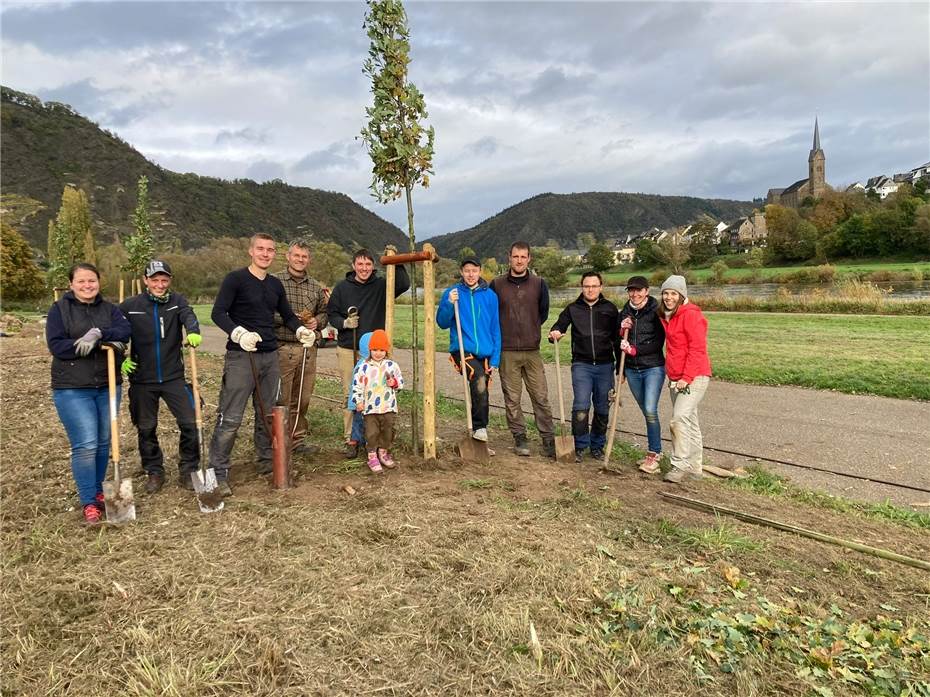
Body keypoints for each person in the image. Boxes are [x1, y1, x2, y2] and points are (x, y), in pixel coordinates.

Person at [209, 233, 316, 496]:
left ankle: (267, 462)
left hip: (270, 355)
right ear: (251, 251)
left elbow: (288, 315)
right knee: (231, 416)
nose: (265, 254)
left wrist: (301, 330)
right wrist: (239, 334)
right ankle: (218, 471)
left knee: (269, 414)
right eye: (261, 249)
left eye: (270, 250)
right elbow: (218, 313)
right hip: (241, 356)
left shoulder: (275, 285)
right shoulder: (235, 280)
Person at [46, 263, 131, 524]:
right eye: (81, 281)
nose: (87, 286)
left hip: (108, 385)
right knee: (86, 445)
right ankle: (88, 502)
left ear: (99, 282)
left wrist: (98, 334)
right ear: (71, 284)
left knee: (104, 443)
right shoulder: (60, 310)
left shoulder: (110, 309)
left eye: (91, 281)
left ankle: (98, 491)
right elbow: (57, 346)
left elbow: (125, 332)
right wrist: (98, 345)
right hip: (73, 388)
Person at [120, 260, 202, 494]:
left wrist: (193, 332)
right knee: (146, 427)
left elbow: (189, 316)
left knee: (190, 422)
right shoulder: (130, 306)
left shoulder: (178, 302)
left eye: (164, 279)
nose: (159, 284)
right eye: (155, 280)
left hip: (173, 377)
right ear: (146, 281)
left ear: (169, 281)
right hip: (142, 380)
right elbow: (115, 332)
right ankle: (154, 470)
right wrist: (120, 360)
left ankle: (188, 469)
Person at [327, 249, 410, 458]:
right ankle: (352, 438)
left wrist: (395, 260)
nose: (364, 268)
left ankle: (375, 438)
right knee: (352, 394)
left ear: (373, 266)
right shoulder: (342, 288)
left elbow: (403, 284)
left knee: (377, 392)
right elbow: (331, 314)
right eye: (360, 264)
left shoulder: (381, 286)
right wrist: (344, 323)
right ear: (354, 265)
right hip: (349, 347)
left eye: (368, 264)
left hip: (375, 353)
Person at [489, 241, 556, 458]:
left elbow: (543, 313)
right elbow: (491, 315)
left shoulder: (539, 284)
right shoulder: (497, 285)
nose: (519, 260)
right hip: (507, 351)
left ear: (529, 259)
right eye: (515, 256)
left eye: (523, 257)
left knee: (541, 396)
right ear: (509, 258)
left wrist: (531, 329)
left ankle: (548, 438)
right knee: (512, 398)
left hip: (532, 350)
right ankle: (520, 437)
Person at [548, 272, 619, 462]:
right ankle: (579, 445)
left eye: (594, 286)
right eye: (587, 286)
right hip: (582, 365)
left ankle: (597, 445)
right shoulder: (573, 308)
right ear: (582, 287)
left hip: (605, 365)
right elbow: (559, 325)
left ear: (601, 287)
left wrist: (620, 367)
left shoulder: (610, 309)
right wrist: (555, 332)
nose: (590, 289)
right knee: (581, 405)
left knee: (602, 407)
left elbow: (618, 338)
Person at [436, 257, 501, 443]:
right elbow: (441, 322)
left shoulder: (490, 296)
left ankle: (477, 433)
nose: (471, 274)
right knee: (479, 378)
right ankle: (480, 428)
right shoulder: (452, 293)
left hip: (486, 353)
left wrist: (495, 359)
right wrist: (449, 303)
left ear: (480, 271)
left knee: (482, 389)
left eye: (474, 270)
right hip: (462, 350)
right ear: (461, 272)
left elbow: (495, 328)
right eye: (467, 270)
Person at [273, 238, 329, 456]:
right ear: (288, 256)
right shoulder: (274, 281)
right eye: (296, 255)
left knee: (303, 397)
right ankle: (279, 441)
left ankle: (296, 439)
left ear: (309, 260)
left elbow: (325, 312)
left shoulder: (315, 286)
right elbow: (265, 311)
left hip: (308, 349)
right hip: (283, 346)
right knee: (282, 397)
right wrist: (289, 319)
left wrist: (318, 322)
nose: (300, 259)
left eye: (304, 256)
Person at [658, 275, 712, 484]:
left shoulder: (691, 315)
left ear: (682, 295)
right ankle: (696, 466)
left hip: (695, 376)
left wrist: (686, 377)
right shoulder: (667, 315)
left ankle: (679, 464)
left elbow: (697, 349)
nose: (669, 297)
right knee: (689, 420)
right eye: (666, 293)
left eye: (673, 293)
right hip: (676, 376)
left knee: (678, 418)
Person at [618, 275, 666, 474]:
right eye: (631, 290)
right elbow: (619, 343)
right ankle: (654, 449)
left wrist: (636, 351)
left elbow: (658, 342)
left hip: (652, 367)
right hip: (631, 369)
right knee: (647, 411)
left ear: (647, 291)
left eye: (639, 290)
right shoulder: (625, 311)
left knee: (650, 409)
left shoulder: (656, 311)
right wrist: (622, 330)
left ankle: (654, 452)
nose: (635, 294)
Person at [351, 329, 404, 473]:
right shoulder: (363, 367)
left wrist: (394, 383)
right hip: (370, 408)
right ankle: (372, 455)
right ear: (369, 350)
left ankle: (383, 452)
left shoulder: (392, 366)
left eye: (381, 349)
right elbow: (357, 386)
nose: (378, 353)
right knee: (371, 432)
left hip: (388, 407)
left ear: (386, 350)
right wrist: (359, 401)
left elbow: (400, 382)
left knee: (387, 431)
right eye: (375, 349)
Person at [346, 332, 373, 456]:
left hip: (367, 402)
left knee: (363, 424)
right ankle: (356, 443)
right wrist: (355, 403)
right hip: (362, 402)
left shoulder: (363, 364)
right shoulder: (364, 366)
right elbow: (356, 386)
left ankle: (360, 444)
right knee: (361, 423)